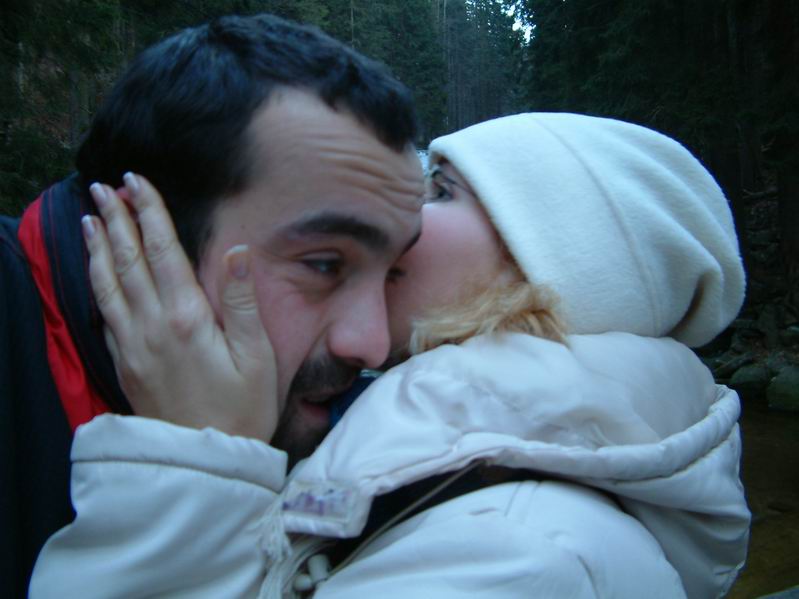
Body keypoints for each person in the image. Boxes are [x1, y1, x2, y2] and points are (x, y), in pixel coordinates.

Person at [30, 113, 750, 598]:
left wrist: (195, 460)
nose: (401, 213)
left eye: (440, 190)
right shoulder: (457, 465)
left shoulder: (519, 552)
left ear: (546, 265)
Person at [0, 14, 424, 596]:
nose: (372, 343)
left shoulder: (367, 438)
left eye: (393, 273)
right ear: (144, 235)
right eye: (325, 264)